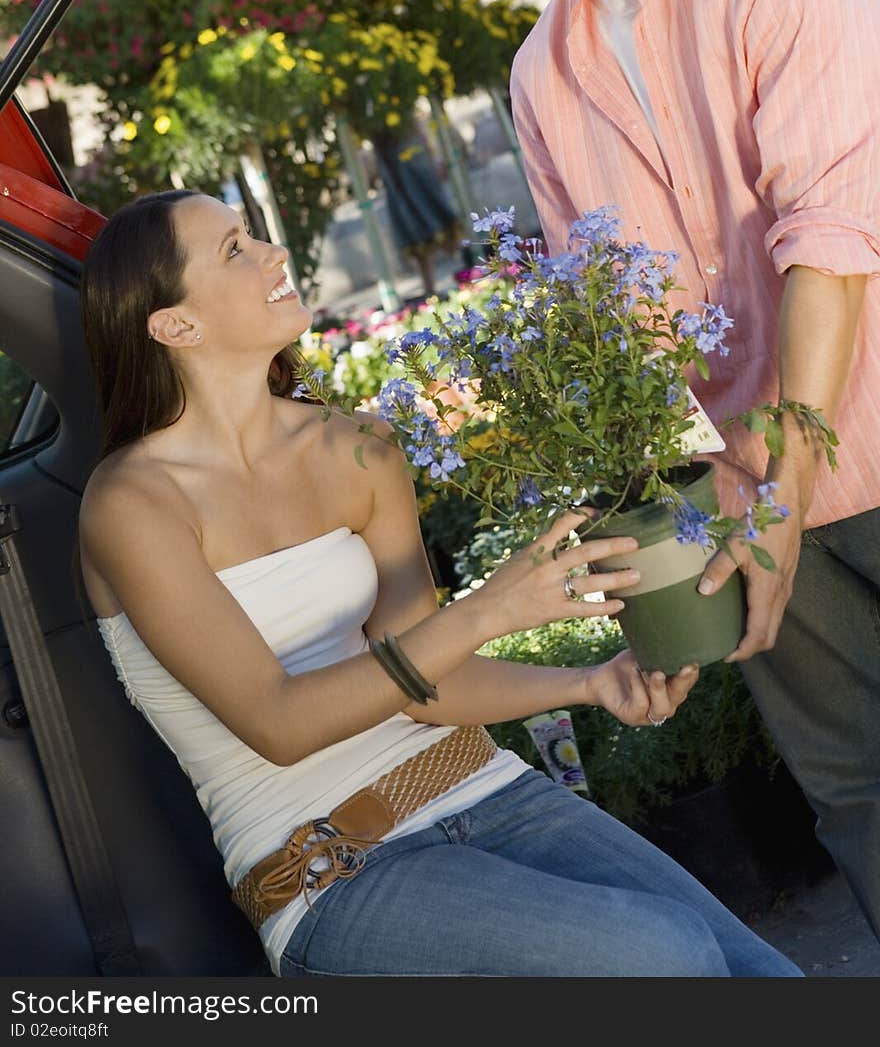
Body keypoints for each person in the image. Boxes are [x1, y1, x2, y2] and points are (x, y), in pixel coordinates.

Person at [77, 189, 801, 978]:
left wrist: (591, 681)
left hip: (484, 787)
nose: (272, 253)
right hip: (334, 870)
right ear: (174, 324)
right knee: (668, 957)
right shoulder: (134, 504)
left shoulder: (356, 445)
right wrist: (487, 610)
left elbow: (427, 688)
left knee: (763, 975)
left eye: (254, 235)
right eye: (234, 250)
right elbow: (276, 722)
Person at [429, 0, 880, 939]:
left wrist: (779, 498)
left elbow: (829, 243)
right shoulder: (539, 78)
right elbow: (617, 339)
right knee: (854, 795)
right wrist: (685, 527)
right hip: (735, 500)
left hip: (852, 443)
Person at [371, 115, 461, 297]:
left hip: (414, 160)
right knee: (414, 226)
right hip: (395, 169)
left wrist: (431, 153)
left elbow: (415, 125)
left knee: (438, 214)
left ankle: (467, 264)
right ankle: (430, 287)